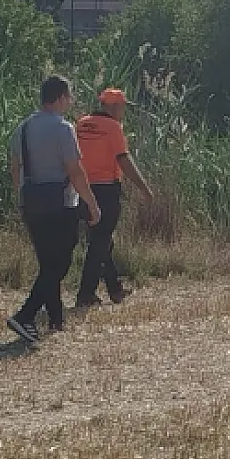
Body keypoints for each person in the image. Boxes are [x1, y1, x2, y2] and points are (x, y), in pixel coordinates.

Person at [6, 75, 99, 343]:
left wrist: (21, 198)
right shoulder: (63, 128)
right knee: (60, 264)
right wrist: (92, 204)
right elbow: (75, 171)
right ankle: (26, 315)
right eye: (69, 97)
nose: (71, 102)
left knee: (47, 263)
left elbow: (15, 168)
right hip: (60, 204)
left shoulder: (22, 128)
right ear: (59, 98)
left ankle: (56, 319)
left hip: (32, 203)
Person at [75, 88, 154, 309]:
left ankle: (115, 290)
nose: (124, 111)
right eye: (122, 107)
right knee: (99, 243)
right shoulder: (113, 127)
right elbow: (124, 160)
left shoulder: (80, 123)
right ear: (113, 107)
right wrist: (144, 189)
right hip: (106, 190)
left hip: (81, 189)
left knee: (101, 241)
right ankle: (85, 295)